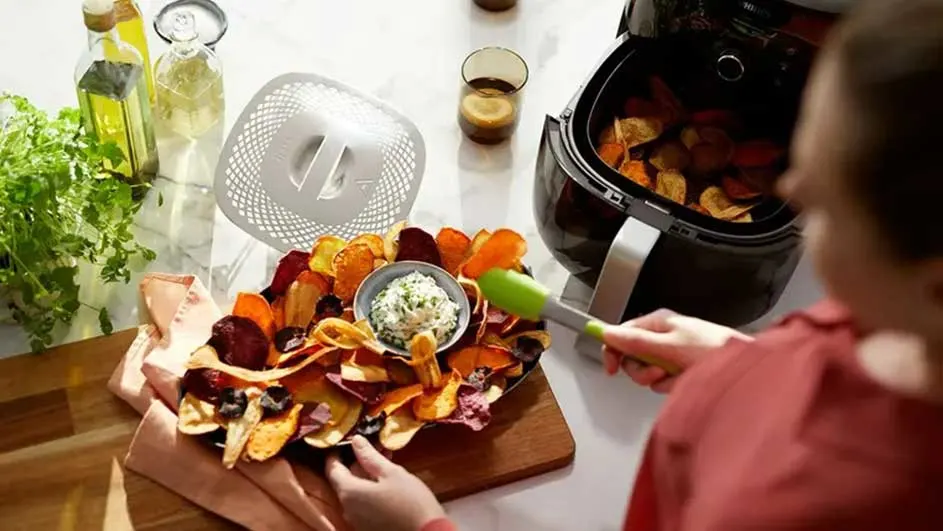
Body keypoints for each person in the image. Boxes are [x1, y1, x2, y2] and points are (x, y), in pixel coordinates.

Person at [325, 0, 943, 529]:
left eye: (824, 198)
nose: (796, 185)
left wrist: (423, 524)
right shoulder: (890, 331)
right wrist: (744, 366)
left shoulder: (783, 506)